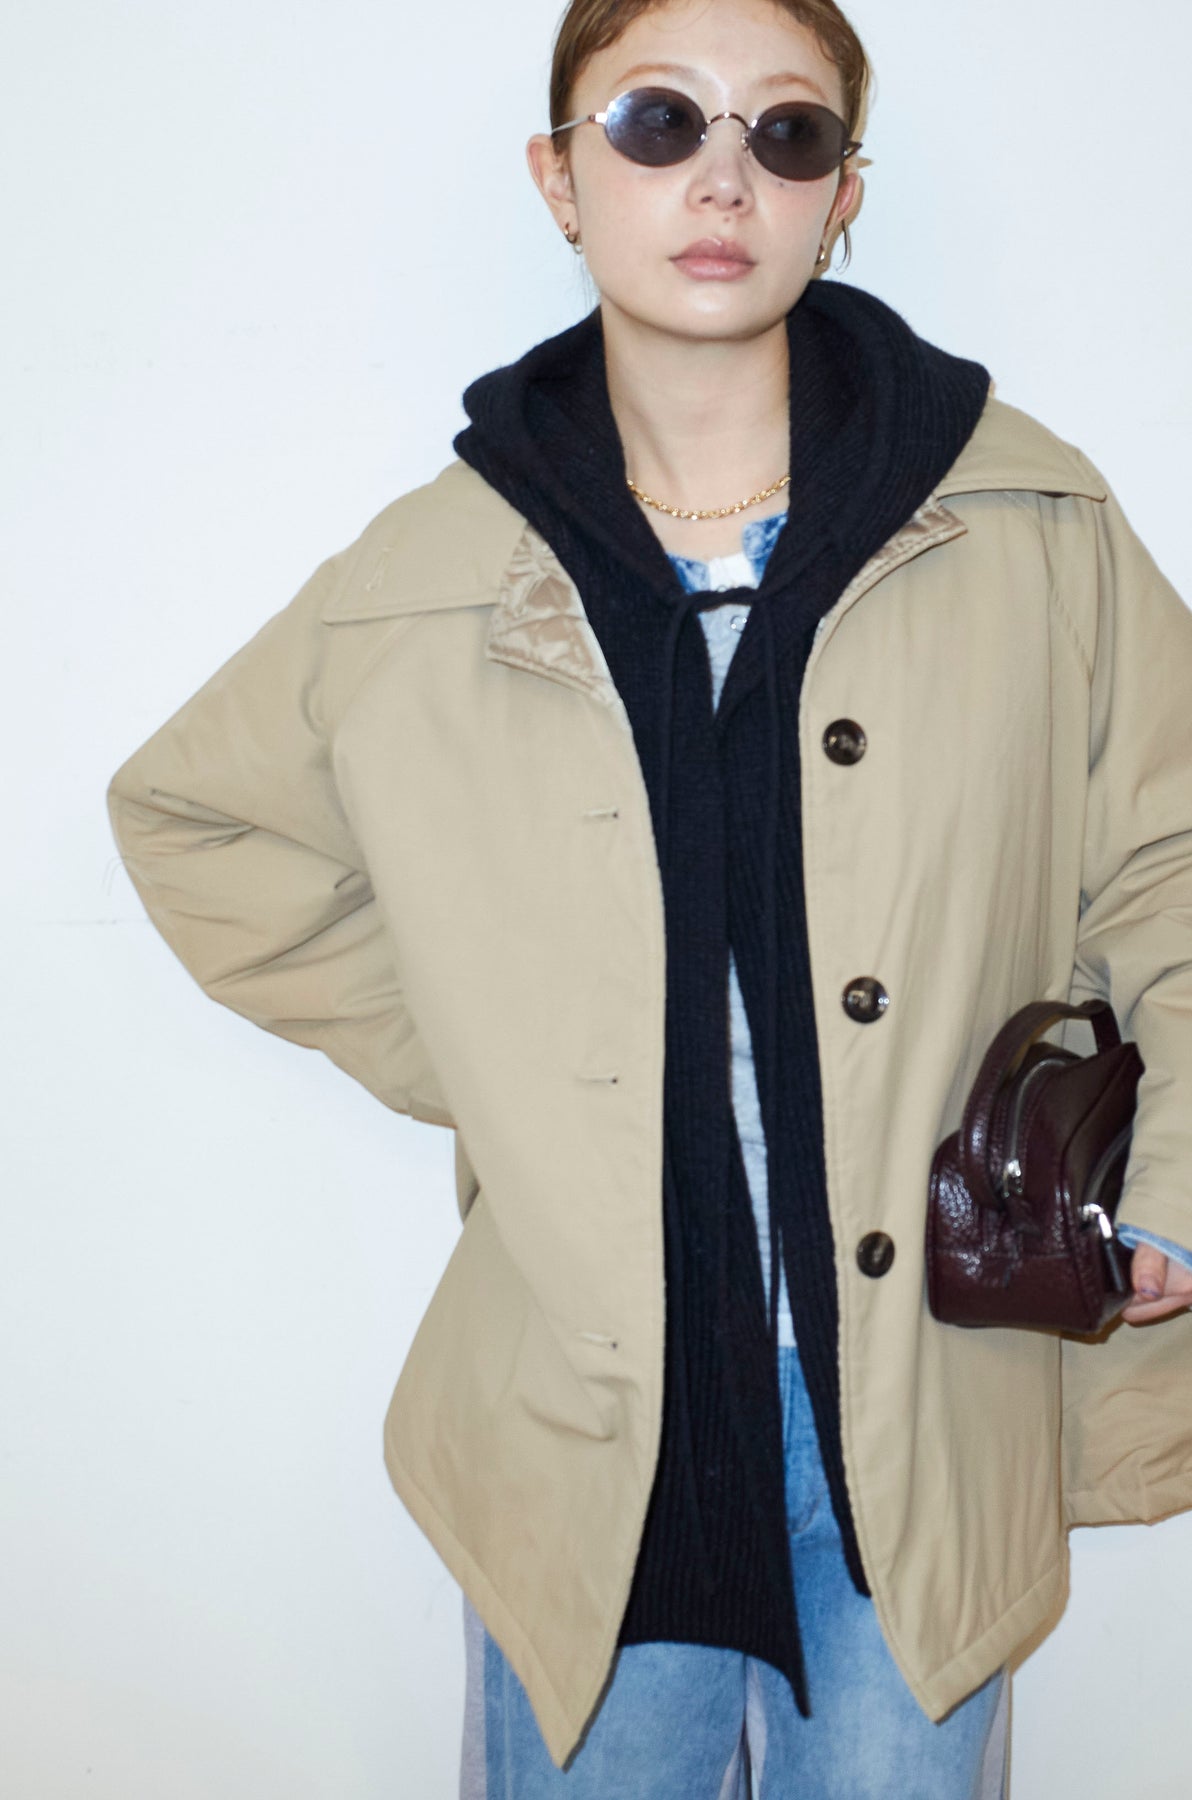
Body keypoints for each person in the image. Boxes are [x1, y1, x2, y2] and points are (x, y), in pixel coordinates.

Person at [106, 0, 1192, 1794]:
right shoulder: (434, 575)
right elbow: (197, 825)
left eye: (788, 132)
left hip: (936, 1402)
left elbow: (1175, 861)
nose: (723, 177)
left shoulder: (1026, 522)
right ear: (560, 177)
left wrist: (1174, 1182)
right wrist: (506, 1058)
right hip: (588, 1424)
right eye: (658, 121)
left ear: (842, 195)